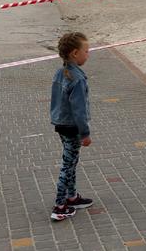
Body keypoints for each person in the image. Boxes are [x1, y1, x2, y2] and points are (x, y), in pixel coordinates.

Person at [49, 31, 94, 221]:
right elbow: (79, 110)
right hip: (73, 127)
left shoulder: (61, 72)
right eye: (86, 50)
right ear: (75, 53)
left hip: (61, 124)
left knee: (71, 161)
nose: (88, 54)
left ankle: (72, 196)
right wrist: (85, 133)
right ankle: (60, 205)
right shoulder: (77, 78)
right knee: (68, 165)